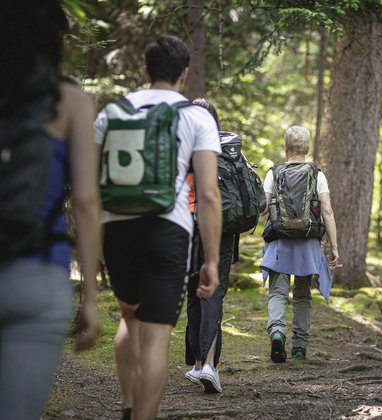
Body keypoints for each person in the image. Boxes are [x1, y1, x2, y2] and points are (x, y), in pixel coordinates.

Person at [94, 35, 222, 420]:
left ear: (146, 71)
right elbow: (210, 195)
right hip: (169, 230)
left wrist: (98, 247)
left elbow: (95, 186)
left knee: (128, 316)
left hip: (117, 228)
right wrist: (211, 260)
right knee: (155, 336)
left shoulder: (112, 113)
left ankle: (126, 405)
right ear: (184, 74)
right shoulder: (196, 116)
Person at [0, 1, 100, 419]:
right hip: (38, 273)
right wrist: (91, 299)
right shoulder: (71, 101)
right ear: (55, 40)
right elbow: (85, 201)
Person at [260, 126, 339, 362]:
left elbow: (263, 207)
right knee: (303, 296)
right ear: (306, 149)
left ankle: (277, 332)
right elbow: (326, 211)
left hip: (280, 242)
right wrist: (333, 247)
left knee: (277, 293)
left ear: (286, 148)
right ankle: (299, 349)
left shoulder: (274, 173)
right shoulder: (318, 175)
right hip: (308, 243)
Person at [184, 98, 236, 394]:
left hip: (188, 225)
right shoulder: (225, 149)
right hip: (219, 227)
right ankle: (205, 365)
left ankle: (201, 364)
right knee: (211, 292)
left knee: (196, 292)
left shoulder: (185, 146)